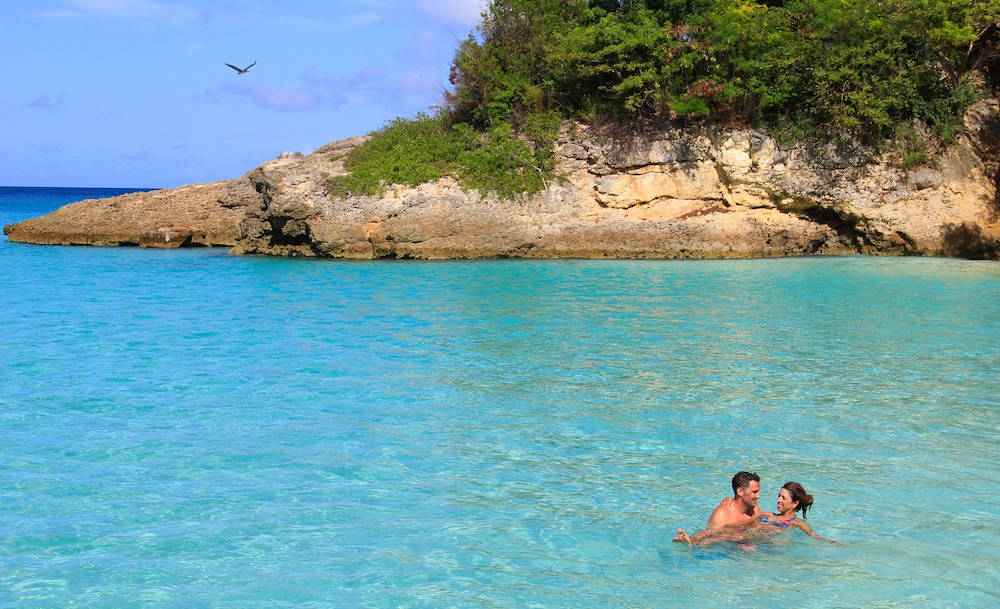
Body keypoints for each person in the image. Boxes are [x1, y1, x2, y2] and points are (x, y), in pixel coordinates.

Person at [673, 471, 761, 546]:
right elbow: (708, 533)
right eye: (754, 492)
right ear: (740, 491)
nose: (758, 496)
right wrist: (691, 540)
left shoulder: (754, 508)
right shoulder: (723, 513)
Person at [756, 481, 840, 545]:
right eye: (779, 496)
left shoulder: (796, 522)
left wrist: (831, 542)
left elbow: (813, 535)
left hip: (773, 546)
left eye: (783, 498)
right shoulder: (768, 515)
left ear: (795, 503)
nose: (778, 500)